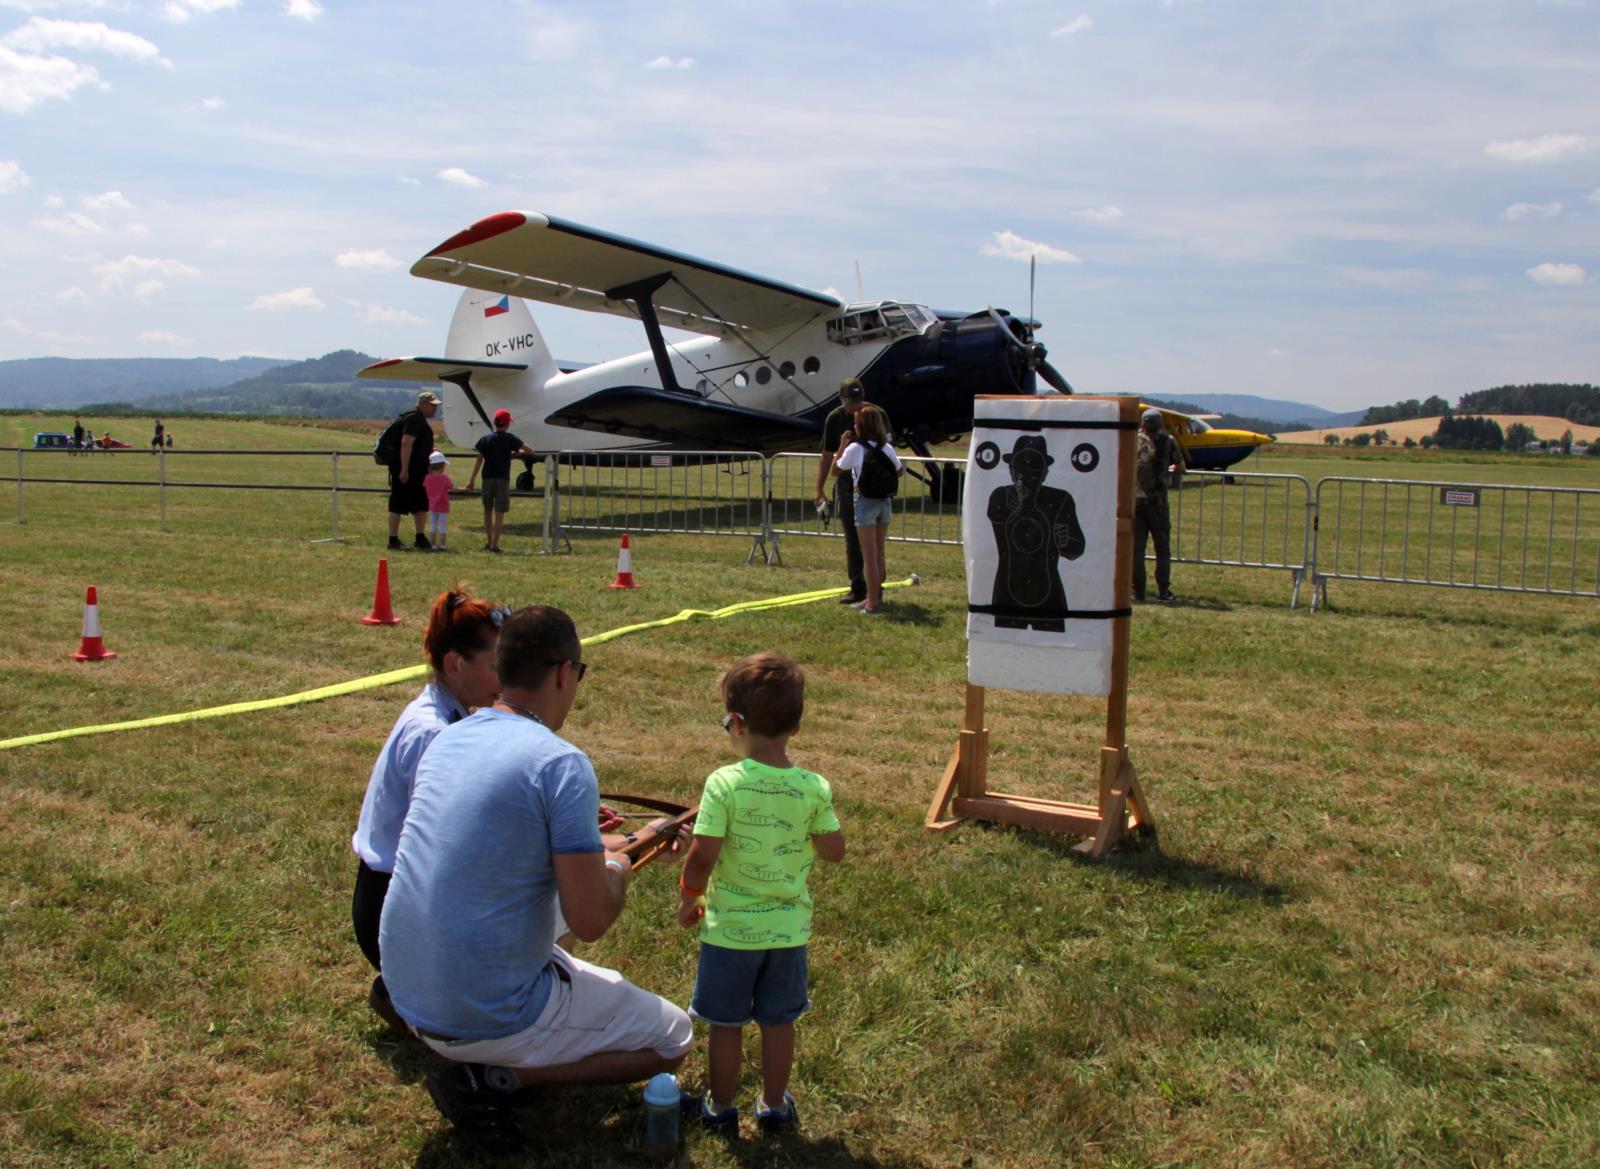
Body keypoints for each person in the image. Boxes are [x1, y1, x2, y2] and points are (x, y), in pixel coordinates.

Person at [380, 605, 693, 1157]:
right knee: (674, 1038)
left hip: (408, 989)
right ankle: (495, 1079)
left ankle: (495, 1045)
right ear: (562, 673)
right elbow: (591, 916)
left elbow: (524, 854)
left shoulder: (449, 737)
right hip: (474, 1014)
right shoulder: (561, 764)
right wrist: (622, 867)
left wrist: (637, 842)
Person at [675, 652, 845, 1137]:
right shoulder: (813, 787)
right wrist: (815, 825)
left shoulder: (724, 784)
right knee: (778, 1024)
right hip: (788, 934)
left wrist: (690, 896)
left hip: (730, 933)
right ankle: (773, 1106)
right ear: (795, 726)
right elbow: (835, 850)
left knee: (725, 1025)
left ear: (736, 723)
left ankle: (720, 1106)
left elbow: (702, 857)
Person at [350, 587, 506, 1030]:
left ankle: (414, 988)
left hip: (398, 897)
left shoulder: (451, 714)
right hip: (390, 906)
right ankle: (408, 988)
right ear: (457, 665)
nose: (506, 677)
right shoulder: (432, 734)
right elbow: (455, 844)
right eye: (496, 665)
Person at [984, 434, 1085, 631]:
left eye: (1034, 470)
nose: (1027, 476)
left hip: (1047, 591)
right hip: (1009, 590)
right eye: (1022, 468)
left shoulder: (1060, 500)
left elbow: (1076, 548)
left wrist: (1064, 542)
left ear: (1044, 473)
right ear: (1011, 470)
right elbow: (997, 516)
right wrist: (1016, 505)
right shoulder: (1002, 496)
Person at [813, 379, 892, 605]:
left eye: (857, 402)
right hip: (849, 488)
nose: (854, 408)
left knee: (875, 545)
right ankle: (858, 586)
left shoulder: (878, 414)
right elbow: (828, 459)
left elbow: (890, 452)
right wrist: (819, 488)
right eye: (850, 403)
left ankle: (875, 591)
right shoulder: (835, 418)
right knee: (853, 539)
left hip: (875, 489)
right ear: (841, 399)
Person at [830, 403, 902, 615]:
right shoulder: (886, 447)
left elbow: (835, 470)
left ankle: (872, 604)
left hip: (865, 502)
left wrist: (842, 445)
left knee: (868, 556)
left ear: (860, 425)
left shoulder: (855, 448)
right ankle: (875, 595)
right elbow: (899, 471)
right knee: (879, 553)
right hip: (884, 502)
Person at [464, 408, 535, 554]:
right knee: (500, 513)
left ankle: (489, 541)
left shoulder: (485, 439)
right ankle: (495, 545)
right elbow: (530, 450)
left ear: (495, 422)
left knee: (487, 511)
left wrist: (471, 480)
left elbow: (479, 460)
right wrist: (516, 454)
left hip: (487, 478)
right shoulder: (510, 438)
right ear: (507, 423)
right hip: (502, 479)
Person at [1133, 407, 1186, 604]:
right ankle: (1164, 590)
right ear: (1161, 424)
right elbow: (1180, 467)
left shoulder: (1133, 440)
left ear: (1143, 424)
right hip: (1159, 503)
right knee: (1162, 548)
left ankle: (1138, 591)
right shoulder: (1168, 441)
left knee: (1136, 550)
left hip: (1136, 502)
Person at [386, 390, 441, 552]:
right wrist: (404, 470)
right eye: (432, 406)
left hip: (413, 468)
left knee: (419, 504)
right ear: (423, 404)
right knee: (399, 504)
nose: (435, 409)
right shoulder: (414, 419)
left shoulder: (412, 417)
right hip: (409, 470)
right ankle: (395, 540)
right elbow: (406, 443)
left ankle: (418, 537)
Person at [423, 451, 454, 552]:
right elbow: (450, 486)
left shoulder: (427, 478)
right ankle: (443, 545)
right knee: (442, 527)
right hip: (443, 506)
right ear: (442, 467)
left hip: (432, 506)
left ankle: (433, 545)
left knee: (433, 526)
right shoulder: (444, 478)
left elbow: (424, 486)